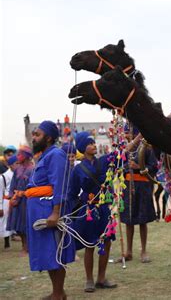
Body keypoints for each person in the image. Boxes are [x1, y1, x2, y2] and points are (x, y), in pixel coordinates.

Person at [25, 120, 75, 300]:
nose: (34, 137)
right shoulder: (44, 156)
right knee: (48, 254)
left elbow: (59, 184)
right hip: (39, 212)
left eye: (37, 134)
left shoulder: (56, 155)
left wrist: (55, 212)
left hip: (49, 212)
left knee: (55, 252)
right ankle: (57, 292)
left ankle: (58, 293)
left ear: (48, 137)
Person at [68, 132, 117, 292]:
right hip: (88, 209)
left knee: (106, 242)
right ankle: (89, 280)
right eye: (90, 143)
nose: (94, 145)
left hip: (103, 207)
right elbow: (72, 192)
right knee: (90, 244)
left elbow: (122, 153)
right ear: (83, 147)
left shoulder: (104, 161)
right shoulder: (78, 169)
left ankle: (101, 278)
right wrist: (74, 209)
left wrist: (137, 139)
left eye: (94, 143)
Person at [120, 125, 158, 263]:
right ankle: (128, 251)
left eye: (128, 133)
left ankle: (143, 250)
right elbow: (118, 165)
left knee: (142, 220)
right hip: (128, 186)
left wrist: (140, 167)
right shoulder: (123, 150)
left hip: (143, 187)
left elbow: (154, 166)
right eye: (124, 133)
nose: (126, 136)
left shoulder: (146, 148)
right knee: (128, 221)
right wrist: (125, 167)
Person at [6, 145, 34, 256]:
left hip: (28, 201)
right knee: (18, 226)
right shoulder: (17, 169)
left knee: (26, 224)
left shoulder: (33, 169)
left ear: (26, 156)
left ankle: (28, 247)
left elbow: (33, 186)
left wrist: (24, 194)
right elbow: (13, 185)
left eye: (20, 154)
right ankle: (23, 246)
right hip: (17, 201)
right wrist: (12, 196)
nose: (18, 156)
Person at [0, 155, 16, 249]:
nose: (17, 165)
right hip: (6, 201)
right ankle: (6, 242)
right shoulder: (3, 177)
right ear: (10, 165)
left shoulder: (19, 174)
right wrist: (0, 207)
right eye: (15, 164)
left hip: (16, 200)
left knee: (13, 221)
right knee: (4, 222)